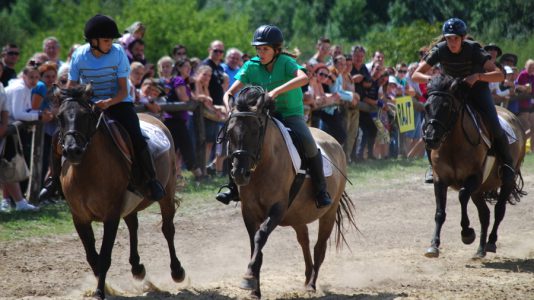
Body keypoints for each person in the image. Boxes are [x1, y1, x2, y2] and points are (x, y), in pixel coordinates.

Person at [38, 14, 165, 202]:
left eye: (111, 40)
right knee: (59, 135)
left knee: (136, 135)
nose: (110, 43)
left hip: (118, 103)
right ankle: (53, 181)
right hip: (87, 104)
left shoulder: (118, 52)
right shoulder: (79, 55)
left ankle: (151, 180)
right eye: (106, 40)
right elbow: (72, 86)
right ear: (93, 41)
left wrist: (107, 103)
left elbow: (123, 90)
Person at [216, 24, 332, 208]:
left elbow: (304, 78)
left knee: (309, 144)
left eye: (265, 49)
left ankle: (321, 189)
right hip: (263, 115)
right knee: (238, 140)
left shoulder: (285, 62)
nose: (260, 53)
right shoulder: (251, 65)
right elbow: (229, 93)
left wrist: (275, 92)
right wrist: (229, 107)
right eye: (258, 49)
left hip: (290, 114)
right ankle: (232, 187)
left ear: (276, 50)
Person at [412, 18, 514, 187]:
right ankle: (433, 167)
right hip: (453, 92)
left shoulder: (473, 49)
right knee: (431, 123)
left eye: (455, 39)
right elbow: (416, 75)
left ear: (463, 37)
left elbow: (499, 75)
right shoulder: (440, 49)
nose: (452, 42)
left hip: (477, 90)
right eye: (448, 38)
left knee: (494, 124)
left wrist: (478, 76)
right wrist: (433, 78)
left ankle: (507, 165)